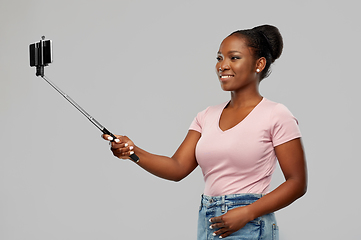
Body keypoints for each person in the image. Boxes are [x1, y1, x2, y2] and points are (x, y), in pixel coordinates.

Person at [103, 24, 307, 240]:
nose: (222, 66)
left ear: (259, 64)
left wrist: (248, 212)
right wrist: (132, 151)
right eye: (219, 58)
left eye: (234, 58)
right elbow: (177, 168)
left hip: (249, 223)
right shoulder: (206, 116)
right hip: (208, 221)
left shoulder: (276, 114)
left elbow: (297, 182)